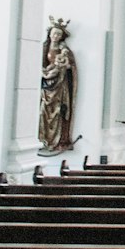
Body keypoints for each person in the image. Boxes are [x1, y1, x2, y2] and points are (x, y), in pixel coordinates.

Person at [38, 17, 77, 155]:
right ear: (49, 34)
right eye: (54, 33)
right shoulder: (43, 47)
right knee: (43, 111)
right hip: (46, 84)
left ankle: (57, 140)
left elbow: (69, 65)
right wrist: (45, 71)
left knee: (58, 111)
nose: (56, 36)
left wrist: (63, 67)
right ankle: (44, 140)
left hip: (59, 85)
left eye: (59, 34)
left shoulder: (64, 50)